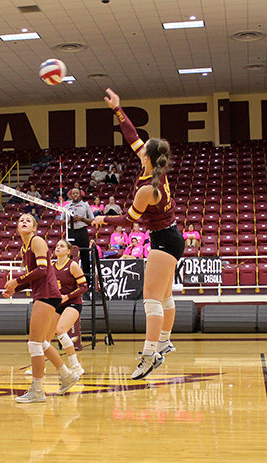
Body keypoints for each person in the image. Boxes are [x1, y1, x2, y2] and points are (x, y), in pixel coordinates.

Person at [93, 88, 185, 380]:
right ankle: (165, 341)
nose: (139, 146)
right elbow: (132, 136)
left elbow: (129, 219)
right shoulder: (155, 171)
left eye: (144, 146)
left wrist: (101, 220)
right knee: (165, 296)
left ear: (148, 155)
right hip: (171, 237)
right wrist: (118, 110)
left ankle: (149, 354)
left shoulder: (148, 188)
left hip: (164, 239)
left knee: (151, 299)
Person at [3, 214, 80, 403]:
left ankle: (37, 390)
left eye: (28, 220)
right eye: (21, 219)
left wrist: (16, 280)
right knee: (42, 343)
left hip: (47, 294)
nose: (24, 221)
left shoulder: (36, 241)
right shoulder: (25, 247)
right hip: (45, 294)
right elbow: (35, 276)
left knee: (34, 344)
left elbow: (42, 270)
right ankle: (67, 374)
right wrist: (16, 288)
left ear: (35, 227)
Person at [48, 239, 89, 375]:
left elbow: (84, 287)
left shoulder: (73, 265)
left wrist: (68, 296)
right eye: (57, 245)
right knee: (45, 337)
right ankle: (39, 366)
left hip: (73, 303)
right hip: (58, 304)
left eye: (61, 246)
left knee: (61, 330)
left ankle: (75, 365)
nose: (58, 247)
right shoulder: (52, 267)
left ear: (68, 251)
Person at [63, 188, 94, 286]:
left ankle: (87, 282)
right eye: (73, 193)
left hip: (82, 231)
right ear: (70, 195)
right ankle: (70, 281)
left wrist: (82, 219)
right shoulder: (66, 206)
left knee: (84, 255)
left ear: (80, 195)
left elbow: (92, 220)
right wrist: (70, 220)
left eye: (77, 193)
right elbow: (61, 220)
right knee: (70, 256)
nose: (75, 195)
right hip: (70, 232)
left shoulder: (86, 205)